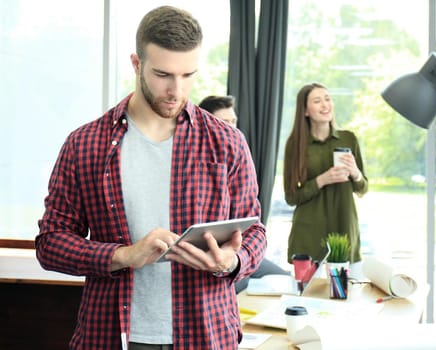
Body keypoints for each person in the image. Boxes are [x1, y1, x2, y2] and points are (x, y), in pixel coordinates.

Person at [35, 6, 266, 350]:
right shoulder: (85, 145)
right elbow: (50, 243)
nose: (177, 89)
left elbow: (255, 233)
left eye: (188, 75)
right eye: (163, 74)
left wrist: (232, 261)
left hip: (206, 334)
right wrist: (123, 255)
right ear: (136, 64)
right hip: (112, 336)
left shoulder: (228, 142)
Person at [198, 95, 291, 293]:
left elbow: (252, 223)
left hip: (239, 251)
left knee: (285, 280)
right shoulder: (197, 163)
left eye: (234, 122)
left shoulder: (239, 155)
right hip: (211, 258)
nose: (232, 129)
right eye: (225, 123)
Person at [283, 82, 368, 275]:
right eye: (317, 101)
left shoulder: (349, 139)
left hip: (344, 229)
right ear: (305, 110)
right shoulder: (295, 145)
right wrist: (322, 180)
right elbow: (291, 197)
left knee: (345, 297)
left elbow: (363, 189)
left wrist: (355, 172)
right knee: (308, 300)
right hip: (308, 236)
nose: (325, 105)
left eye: (328, 99)